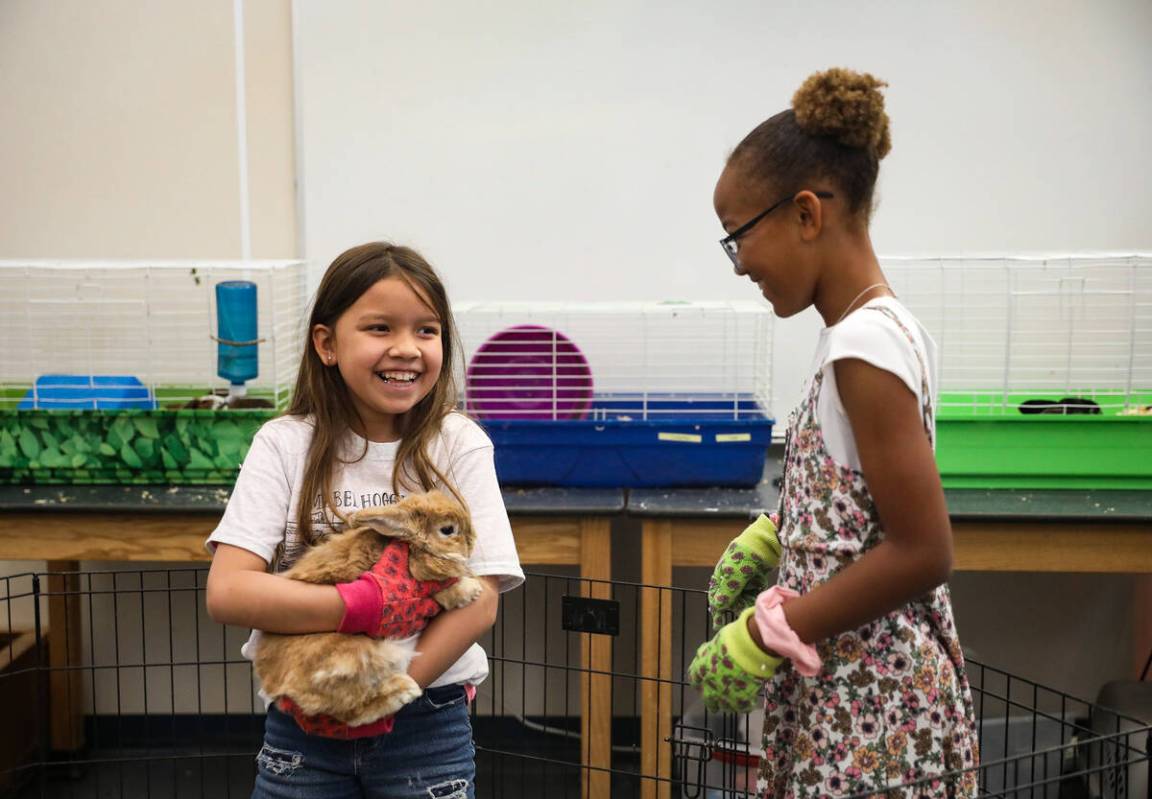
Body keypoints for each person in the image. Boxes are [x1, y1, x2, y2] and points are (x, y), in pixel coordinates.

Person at [688, 68, 979, 798]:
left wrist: (765, 633)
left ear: (807, 214)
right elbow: (863, 508)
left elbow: (922, 548)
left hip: (876, 710)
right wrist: (781, 534)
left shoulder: (864, 348)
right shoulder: (876, 331)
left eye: (739, 238)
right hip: (850, 692)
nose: (741, 264)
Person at [205, 242, 523, 799]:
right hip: (303, 723)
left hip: (426, 718)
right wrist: (363, 605)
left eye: (427, 330)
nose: (407, 349)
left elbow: (482, 597)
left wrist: (390, 690)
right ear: (327, 343)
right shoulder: (283, 446)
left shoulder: (459, 445)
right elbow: (228, 592)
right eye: (380, 328)